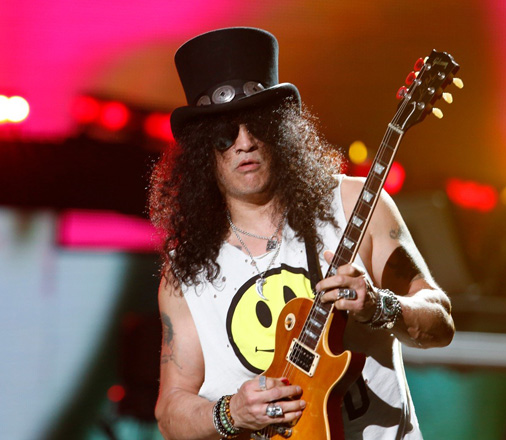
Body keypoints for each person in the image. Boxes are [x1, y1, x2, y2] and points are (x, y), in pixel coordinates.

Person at [149, 27, 454, 440]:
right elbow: (170, 411)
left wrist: (379, 305)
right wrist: (232, 412)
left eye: (258, 124)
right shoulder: (186, 270)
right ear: (204, 151)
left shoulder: (353, 203)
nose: (245, 142)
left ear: (281, 130)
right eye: (224, 134)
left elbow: (440, 321)